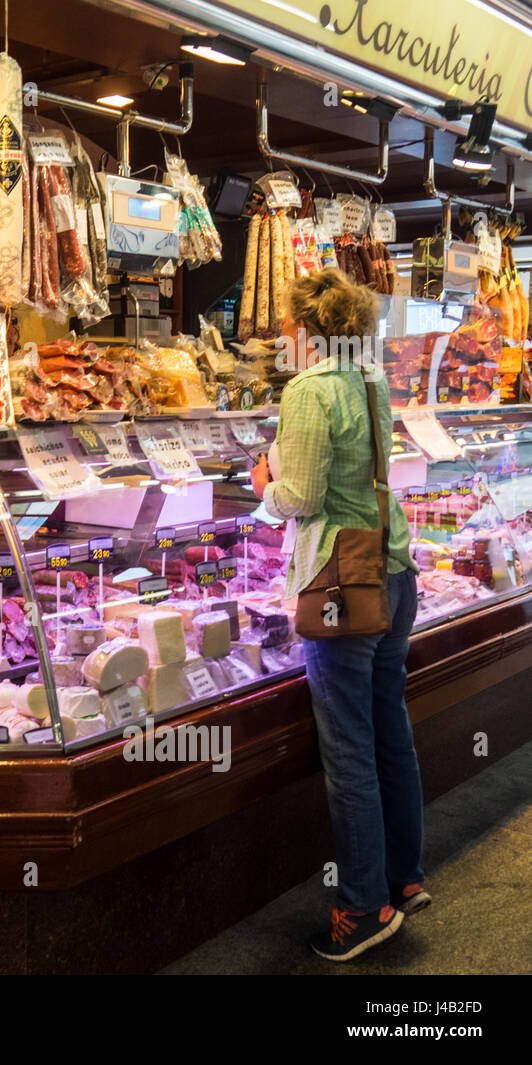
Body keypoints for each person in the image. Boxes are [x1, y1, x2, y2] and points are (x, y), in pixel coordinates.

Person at [250, 268, 429, 962]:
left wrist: (264, 482)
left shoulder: (309, 389)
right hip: (393, 565)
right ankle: (404, 878)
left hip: (338, 581)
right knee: (391, 728)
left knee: (350, 746)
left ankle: (362, 907)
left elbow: (301, 493)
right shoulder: (372, 381)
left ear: (308, 329)